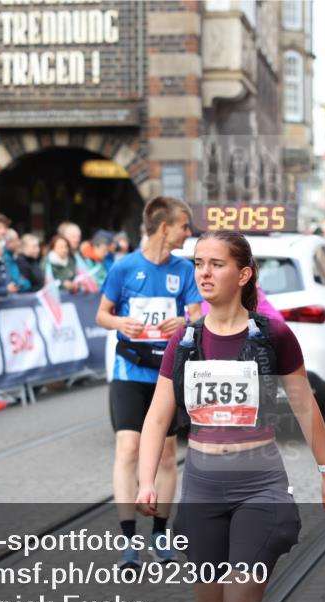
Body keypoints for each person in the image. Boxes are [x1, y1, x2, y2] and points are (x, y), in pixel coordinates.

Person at [135, 230, 325, 602]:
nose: (204, 273)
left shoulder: (273, 336)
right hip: (202, 491)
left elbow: (305, 407)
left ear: (244, 273)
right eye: (198, 264)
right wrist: (145, 480)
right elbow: (156, 417)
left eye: (216, 264)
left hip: (259, 489)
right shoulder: (186, 341)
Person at [95, 196, 202, 568]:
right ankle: (128, 541)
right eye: (184, 226)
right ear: (163, 227)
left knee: (167, 456)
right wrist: (119, 323)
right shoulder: (124, 268)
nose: (188, 233)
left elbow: (196, 315)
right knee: (127, 449)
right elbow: (102, 315)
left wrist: (185, 323)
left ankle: (160, 531)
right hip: (129, 369)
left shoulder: (184, 270)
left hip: (166, 373)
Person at [2, 228, 31, 292]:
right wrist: (26, 283)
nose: (19, 242)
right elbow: (16, 281)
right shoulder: (6, 258)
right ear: (8, 242)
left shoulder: (12, 256)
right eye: (16, 240)